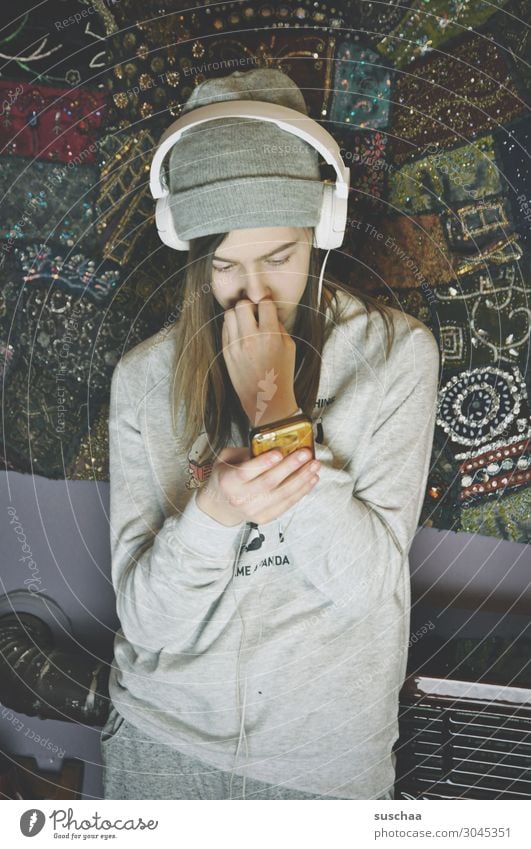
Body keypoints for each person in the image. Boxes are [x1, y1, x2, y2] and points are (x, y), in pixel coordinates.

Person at [101, 69, 440, 800]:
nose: (252, 291)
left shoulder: (395, 354)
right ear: (191, 255)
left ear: (320, 231)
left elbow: (363, 590)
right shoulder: (140, 378)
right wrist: (213, 514)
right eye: (223, 264)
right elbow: (148, 622)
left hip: (320, 765)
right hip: (160, 744)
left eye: (278, 258)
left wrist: (277, 413)